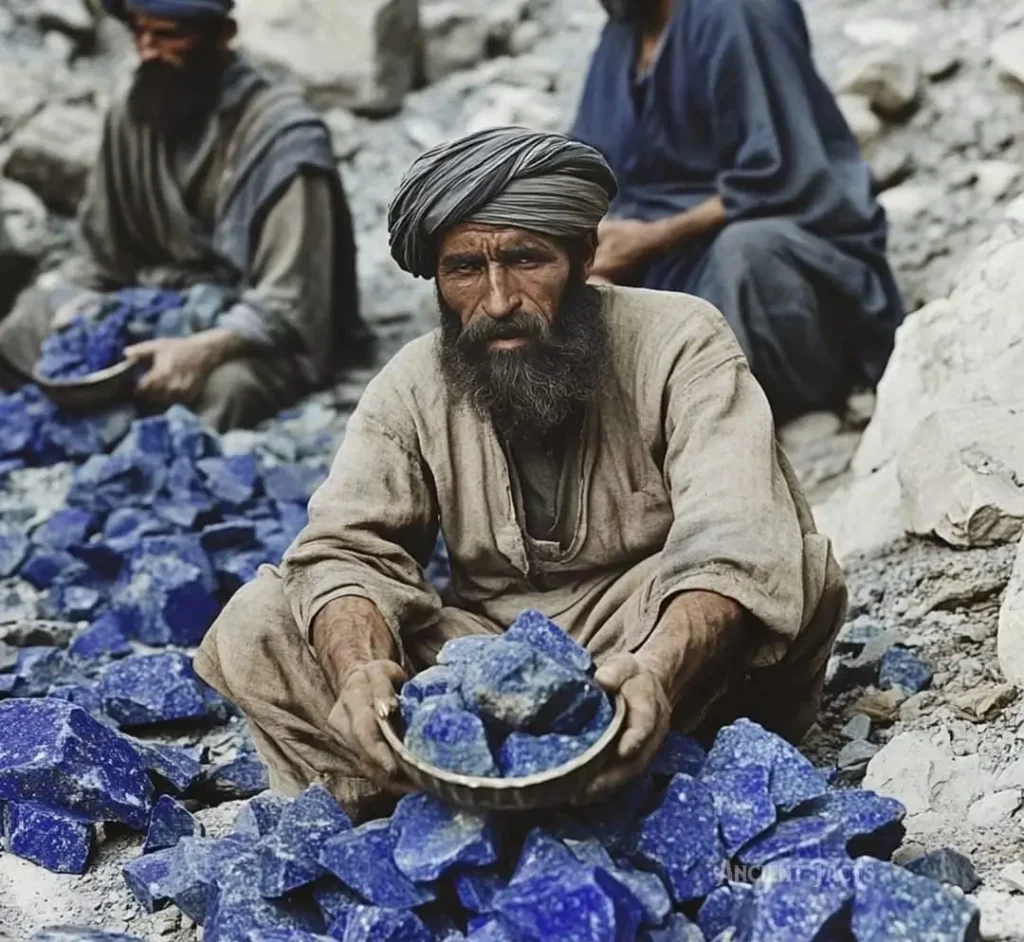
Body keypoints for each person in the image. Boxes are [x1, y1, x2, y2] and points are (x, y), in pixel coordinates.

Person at [195, 127, 847, 821]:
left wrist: (655, 671)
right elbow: (345, 549)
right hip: (479, 654)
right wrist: (360, 670)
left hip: (645, 638)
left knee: (792, 567)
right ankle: (425, 795)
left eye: (526, 259)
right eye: (465, 269)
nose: (499, 299)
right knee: (261, 621)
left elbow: (735, 532)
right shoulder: (410, 384)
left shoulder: (682, 338)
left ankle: (662, 780)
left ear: (584, 255)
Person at [0, 0, 371, 431]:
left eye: (167, 35)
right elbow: (101, 257)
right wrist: (75, 308)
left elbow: (288, 301)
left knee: (225, 390)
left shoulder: (285, 140)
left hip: (242, 330)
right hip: (149, 307)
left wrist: (200, 350)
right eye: (139, 32)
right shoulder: (133, 113)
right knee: (24, 324)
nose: (147, 50)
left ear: (223, 35)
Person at [571, 0, 905, 423]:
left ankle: (771, 405)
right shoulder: (623, 31)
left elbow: (785, 175)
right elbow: (586, 163)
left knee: (746, 255)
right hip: (662, 263)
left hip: (783, 250)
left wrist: (654, 239)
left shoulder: (740, 13)